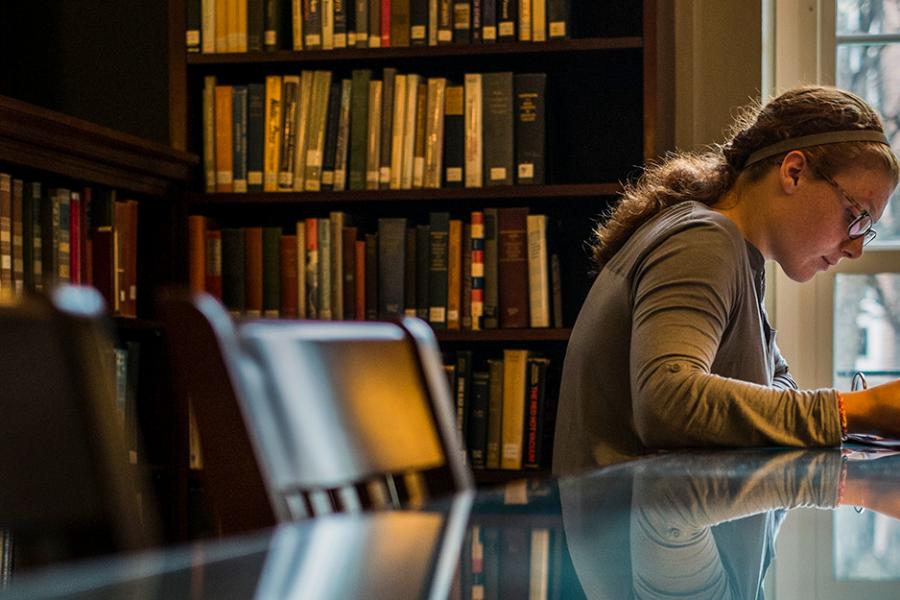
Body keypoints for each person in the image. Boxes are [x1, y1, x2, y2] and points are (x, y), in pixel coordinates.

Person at [552, 85, 900, 475]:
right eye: (857, 217)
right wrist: (857, 411)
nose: (855, 248)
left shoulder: (734, 254)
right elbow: (668, 402)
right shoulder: (703, 243)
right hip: (637, 528)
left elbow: (777, 386)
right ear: (794, 172)